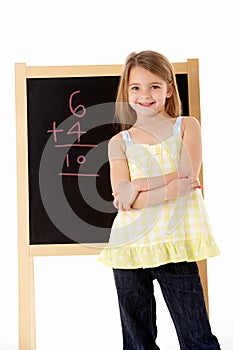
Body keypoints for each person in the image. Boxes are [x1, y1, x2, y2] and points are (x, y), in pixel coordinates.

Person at [99, 50, 220, 349]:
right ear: (126, 92)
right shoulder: (119, 143)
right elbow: (125, 200)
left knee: (196, 336)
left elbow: (185, 182)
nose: (145, 94)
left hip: (174, 243)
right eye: (136, 87)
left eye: (154, 86)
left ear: (168, 88)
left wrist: (138, 184)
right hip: (129, 247)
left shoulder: (186, 126)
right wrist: (163, 185)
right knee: (137, 341)